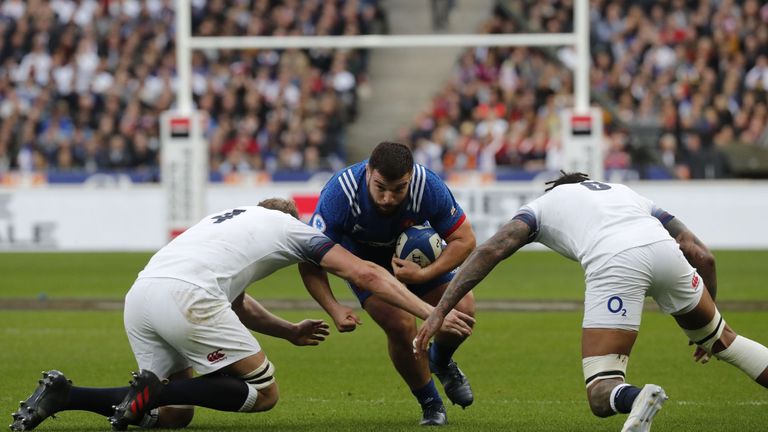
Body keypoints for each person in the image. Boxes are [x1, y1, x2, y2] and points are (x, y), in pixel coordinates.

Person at [10, 198, 474, 431]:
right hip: (186, 296)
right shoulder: (294, 229)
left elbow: (234, 302)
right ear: (294, 218)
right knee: (263, 393)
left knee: (175, 415)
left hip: (142, 295)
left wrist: (288, 330)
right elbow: (368, 275)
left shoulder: (225, 220)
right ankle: (152, 391)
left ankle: (65, 395)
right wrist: (431, 312)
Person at [415, 172, 768, 432]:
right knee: (727, 342)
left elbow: (492, 249)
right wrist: (705, 328)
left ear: (558, 187)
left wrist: (440, 311)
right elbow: (702, 255)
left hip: (615, 260)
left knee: (602, 391)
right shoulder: (626, 193)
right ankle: (712, 340)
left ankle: (636, 398)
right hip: (664, 250)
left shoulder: (541, 205)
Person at [304, 141, 477, 426]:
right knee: (400, 325)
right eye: (380, 187)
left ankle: (441, 361)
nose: (388, 198)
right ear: (368, 172)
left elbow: (465, 240)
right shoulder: (341, 192)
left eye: (398, 189)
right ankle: (431, 404)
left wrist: (422, 275)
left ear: (410, 177)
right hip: (362, 264)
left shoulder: (426, 186)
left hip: (415, 263)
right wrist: (333, 307)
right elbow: (310, 257)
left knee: (464, 309)